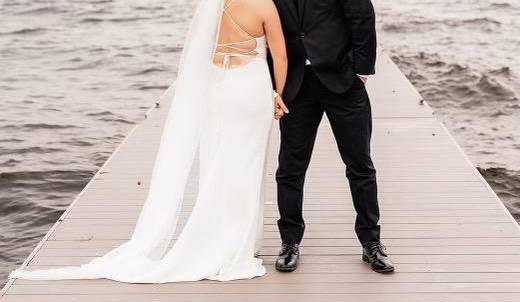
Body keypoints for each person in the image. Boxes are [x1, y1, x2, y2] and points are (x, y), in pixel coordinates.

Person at [9, 0, 289, 283]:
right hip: (249, 89)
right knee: (246, 167)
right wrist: (278, 94)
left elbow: (203, 51)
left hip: (219, 88)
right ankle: (238, 245)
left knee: (217, 164)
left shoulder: (217, 6)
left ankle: (219, 237)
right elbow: (281, 58)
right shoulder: (264, 6)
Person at [271, 0, 395, 273]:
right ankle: (290, 242)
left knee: (360, 165)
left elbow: (362, 16)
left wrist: (362, 70)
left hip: (342, 79)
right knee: (291, 167)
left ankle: (371, 243)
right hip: (294, 84)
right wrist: (272, 84)